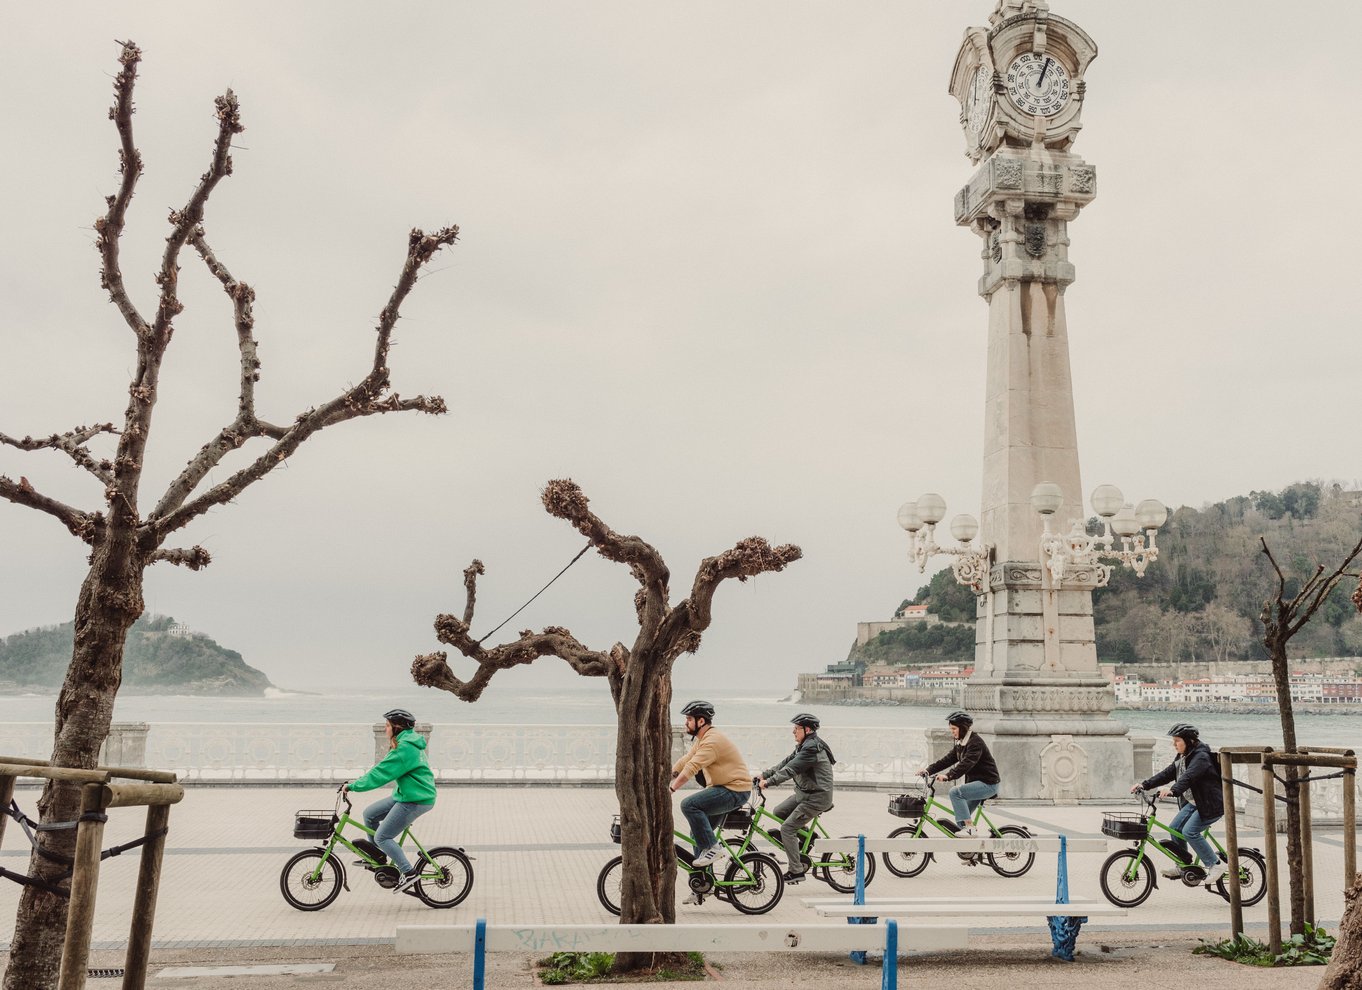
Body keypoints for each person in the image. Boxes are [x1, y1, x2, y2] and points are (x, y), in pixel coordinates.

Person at [345, 707, 436, 895]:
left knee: (382, 837)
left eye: (387, 725)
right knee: (369, 815)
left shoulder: (404, 748)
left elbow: (380, 774)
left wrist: (353, 786)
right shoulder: (403, 742)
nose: (385, 729)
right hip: (406, 795)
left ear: (397, 728)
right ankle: (379, 857)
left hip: (417, 799)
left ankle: (409, 873)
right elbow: (382, 769)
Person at [1133, 722, 1226, 886]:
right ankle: (1183, 865)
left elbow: (1189, 777)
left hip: (1209, 804)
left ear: (1189, 741)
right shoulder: (1184, 756)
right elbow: (1168, 773)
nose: (1173, 744)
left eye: (1177, 740)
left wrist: (1173, 790)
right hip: (1194, 803)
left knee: (1189, 831)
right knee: (1175, 829)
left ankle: (1215, 865)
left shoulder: (1201, 757)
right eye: (1174, 740)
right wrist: (1144, 784)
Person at [670, 700, 752, 881]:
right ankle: (704, 882)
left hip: (735, 790)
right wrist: (668, 775)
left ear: (701, 721)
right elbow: (686, 759)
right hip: (724, 788)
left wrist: (672, 788)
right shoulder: (703, 739)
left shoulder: (712, 741)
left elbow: (692, 767)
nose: (686, 723)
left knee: (689, 805)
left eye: (689, 719)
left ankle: (713, 848)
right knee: (696, 833)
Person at [758, 712, 835, 883]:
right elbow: (785, 763)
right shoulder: (804, 745)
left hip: (817, 797)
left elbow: (790, 770)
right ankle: (809, 838)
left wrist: (769, 782)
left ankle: (796, 870)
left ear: (807, 730)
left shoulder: (811, 749)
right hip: (805, 794)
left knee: (787, 829)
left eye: (796, 728)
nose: (793, 731)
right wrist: (763, 775)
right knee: (779, 812)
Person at [921, 711, 1000, 837]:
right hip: (977, 784)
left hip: (988, 784)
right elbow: (947, 760)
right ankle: (970, 851)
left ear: (962, 728)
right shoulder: (961, 743)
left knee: (955, 792)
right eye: (951, 728)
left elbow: (967, 763)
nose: (952, 731)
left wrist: (948, 776)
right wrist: (928, 770)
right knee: (961, 820)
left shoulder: (975, 743)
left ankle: (970, 829)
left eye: (954, 729)